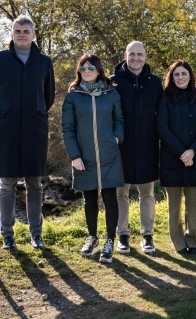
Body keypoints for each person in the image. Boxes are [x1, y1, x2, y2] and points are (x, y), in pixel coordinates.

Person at [0, 15, 55, 250]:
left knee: (35, 185)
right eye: (17, 30)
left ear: (33, 35)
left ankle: (36, 235)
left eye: (26, 31)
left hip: (34, 129)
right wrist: (4, 113)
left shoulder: (44, 62)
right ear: (12, 34)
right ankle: (7, 235)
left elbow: (49, 96)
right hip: (7, 130)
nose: (21, 34)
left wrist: (35, 113)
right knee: (7, 185)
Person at [62, 54, 124, 263]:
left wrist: (117, 137)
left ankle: (109, 242)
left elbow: (119, 120)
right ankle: (92, 238)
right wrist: (75, 156)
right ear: (78, 72)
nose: (86, 71)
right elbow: (68, 128)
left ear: (98, 70)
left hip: (109, 155)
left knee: (110, 199)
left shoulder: (111, 93)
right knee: (89, 200)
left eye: (91, 67)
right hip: (84, 157)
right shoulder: (72, 96)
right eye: (82, 68)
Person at [111, 41, 163, 254]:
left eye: (139, 54)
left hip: (148, 146)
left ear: (145, 56)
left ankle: (147, 235)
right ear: (125, 55)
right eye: (132, 54)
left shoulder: (155, 83)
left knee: (147, 194)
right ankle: (122, 235)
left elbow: (162, 115)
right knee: (120, 194)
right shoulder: (113, 82)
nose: (135, 58)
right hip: (120, 147)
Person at [157, 60, 196, 254]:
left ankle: (194, 241)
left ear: (190, 76)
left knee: (194, 204)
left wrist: (192, 151)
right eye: (176, 74)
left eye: (184, 74)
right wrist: (182, 152)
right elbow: (162, 128)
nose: (180, 77)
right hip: (172, 158)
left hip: (195, 158)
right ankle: (179, 242)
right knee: (174, 205)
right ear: (171, 78)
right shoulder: (165, 99)